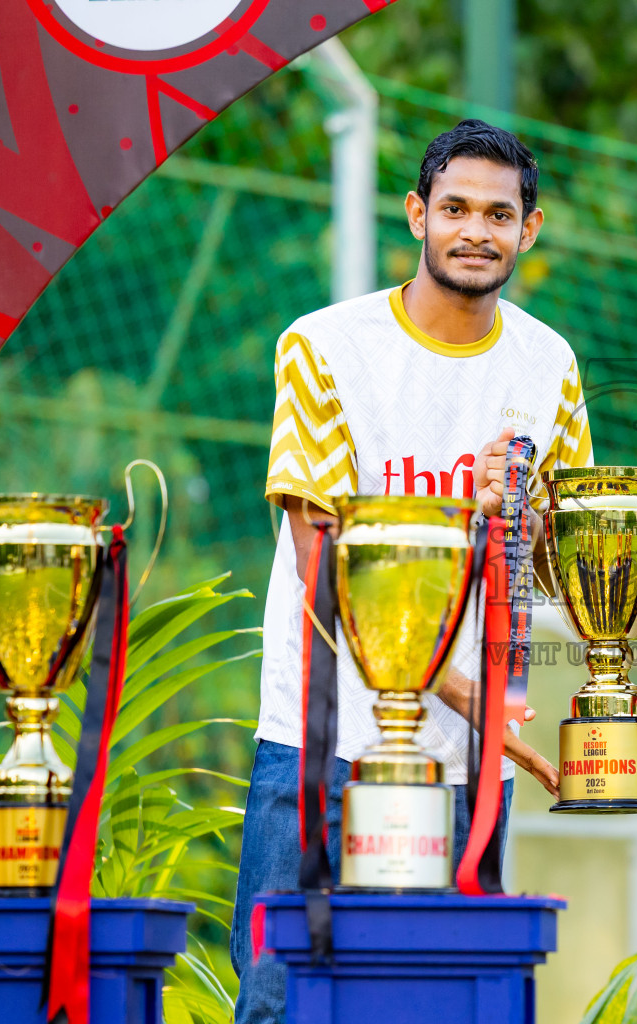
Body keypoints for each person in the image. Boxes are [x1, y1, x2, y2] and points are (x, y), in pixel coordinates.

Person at [230, 119, 593, 1022]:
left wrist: (524, 520)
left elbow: (557, 569)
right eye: (456, 208)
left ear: (529, 229)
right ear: (416, 214)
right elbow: (319, 562)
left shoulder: (549, 365)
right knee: (281, 1003)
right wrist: (471, 697)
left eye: (499, 215)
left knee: (447, 1004)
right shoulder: (323, 346)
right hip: (325, 741)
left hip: (467, 766)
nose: (476, 231)